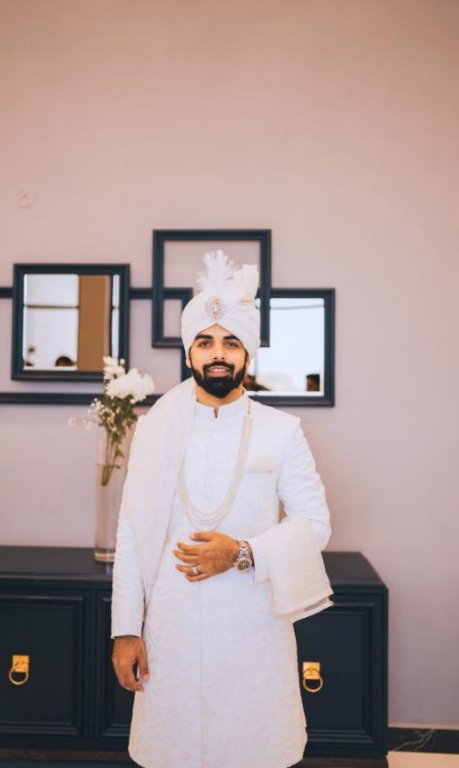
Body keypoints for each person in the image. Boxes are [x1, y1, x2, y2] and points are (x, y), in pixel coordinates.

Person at [111, 251, 333, 768]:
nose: (218, 354)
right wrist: (125, 630)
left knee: (254, 749)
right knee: (172, 751)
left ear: (247, 354)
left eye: (231, 342)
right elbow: (131, 532)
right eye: (205, 342)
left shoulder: (282, 431)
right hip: (171, 627)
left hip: (252, 625)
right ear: (189, 352)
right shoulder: (155, 429)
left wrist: (242, 553)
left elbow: (315, 523)